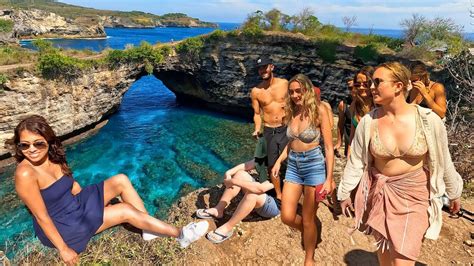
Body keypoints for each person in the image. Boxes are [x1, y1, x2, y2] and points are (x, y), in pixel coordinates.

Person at [12, 115, 208, 265]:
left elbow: (72, 185)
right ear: (19, 146)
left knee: (121, 180)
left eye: (38, 143)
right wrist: (63, 249)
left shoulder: (54, 156)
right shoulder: (26, 174)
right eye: (24, 145)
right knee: (124, 210)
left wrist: (91, 201)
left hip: (74, 204)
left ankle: (148, 229)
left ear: (48, 141)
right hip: (61, 225)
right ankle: (181, 235)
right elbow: (41, 217)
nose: (32, 149)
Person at [338, 62, 463, 265]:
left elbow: (443, 159)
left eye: (377, 82)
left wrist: (454, 191)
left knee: (402, 261)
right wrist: (344, 193)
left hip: (414, 197)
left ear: (398, 86)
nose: (371, 87)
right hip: (379, 196)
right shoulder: (368, 122)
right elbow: (357, 162)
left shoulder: (429, 121)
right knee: (386, 260)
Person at [271, 74, 335, 266]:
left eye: (299, 91)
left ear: (307, 90)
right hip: (293, 166)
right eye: (291, 92)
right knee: (287, 217)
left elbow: (329, 148)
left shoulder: (320, 110)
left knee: (308, 218)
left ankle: (310, 258)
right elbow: (291, 142)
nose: (295, 95)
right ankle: (310, 232)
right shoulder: (292, 112)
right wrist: (278, 161)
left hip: (314, 166)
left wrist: (329, 178)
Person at [195, 137, 280, 243]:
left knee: (252, 194)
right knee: (240, 174)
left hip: (273, 205)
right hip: (263, 193)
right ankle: (219, 209)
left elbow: (260, 189)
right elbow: (246, 165)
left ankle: (227, 228)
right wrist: (229, 173)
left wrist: (233, 182)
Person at [250, 55, 289, 200]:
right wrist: (257, 128)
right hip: (268, 130)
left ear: (272, 67)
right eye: (260, 68)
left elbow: (296, 99)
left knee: (288, 161)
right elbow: (257, 113)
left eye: (265, 67)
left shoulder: (284, 83)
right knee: (271, 164)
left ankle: (292, 190)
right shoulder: (256, 91)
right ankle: (278, 195)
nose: (262, 70)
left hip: (285, 128)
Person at [347, 66, 375, 156]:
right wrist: (349, 155)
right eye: (357, 85)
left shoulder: (381, 105)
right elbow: (352, 135)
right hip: (358, 155)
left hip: (377, 157)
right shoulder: (355, 105)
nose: (361, 87)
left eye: (365, 84)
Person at [334, 78, 355, 157]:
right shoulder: (343, 105)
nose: (352, 90)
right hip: (349, 145)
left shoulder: (368, 103)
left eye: (355, 86)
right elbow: (340, 124)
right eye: (350, 88)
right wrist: (339, 142)